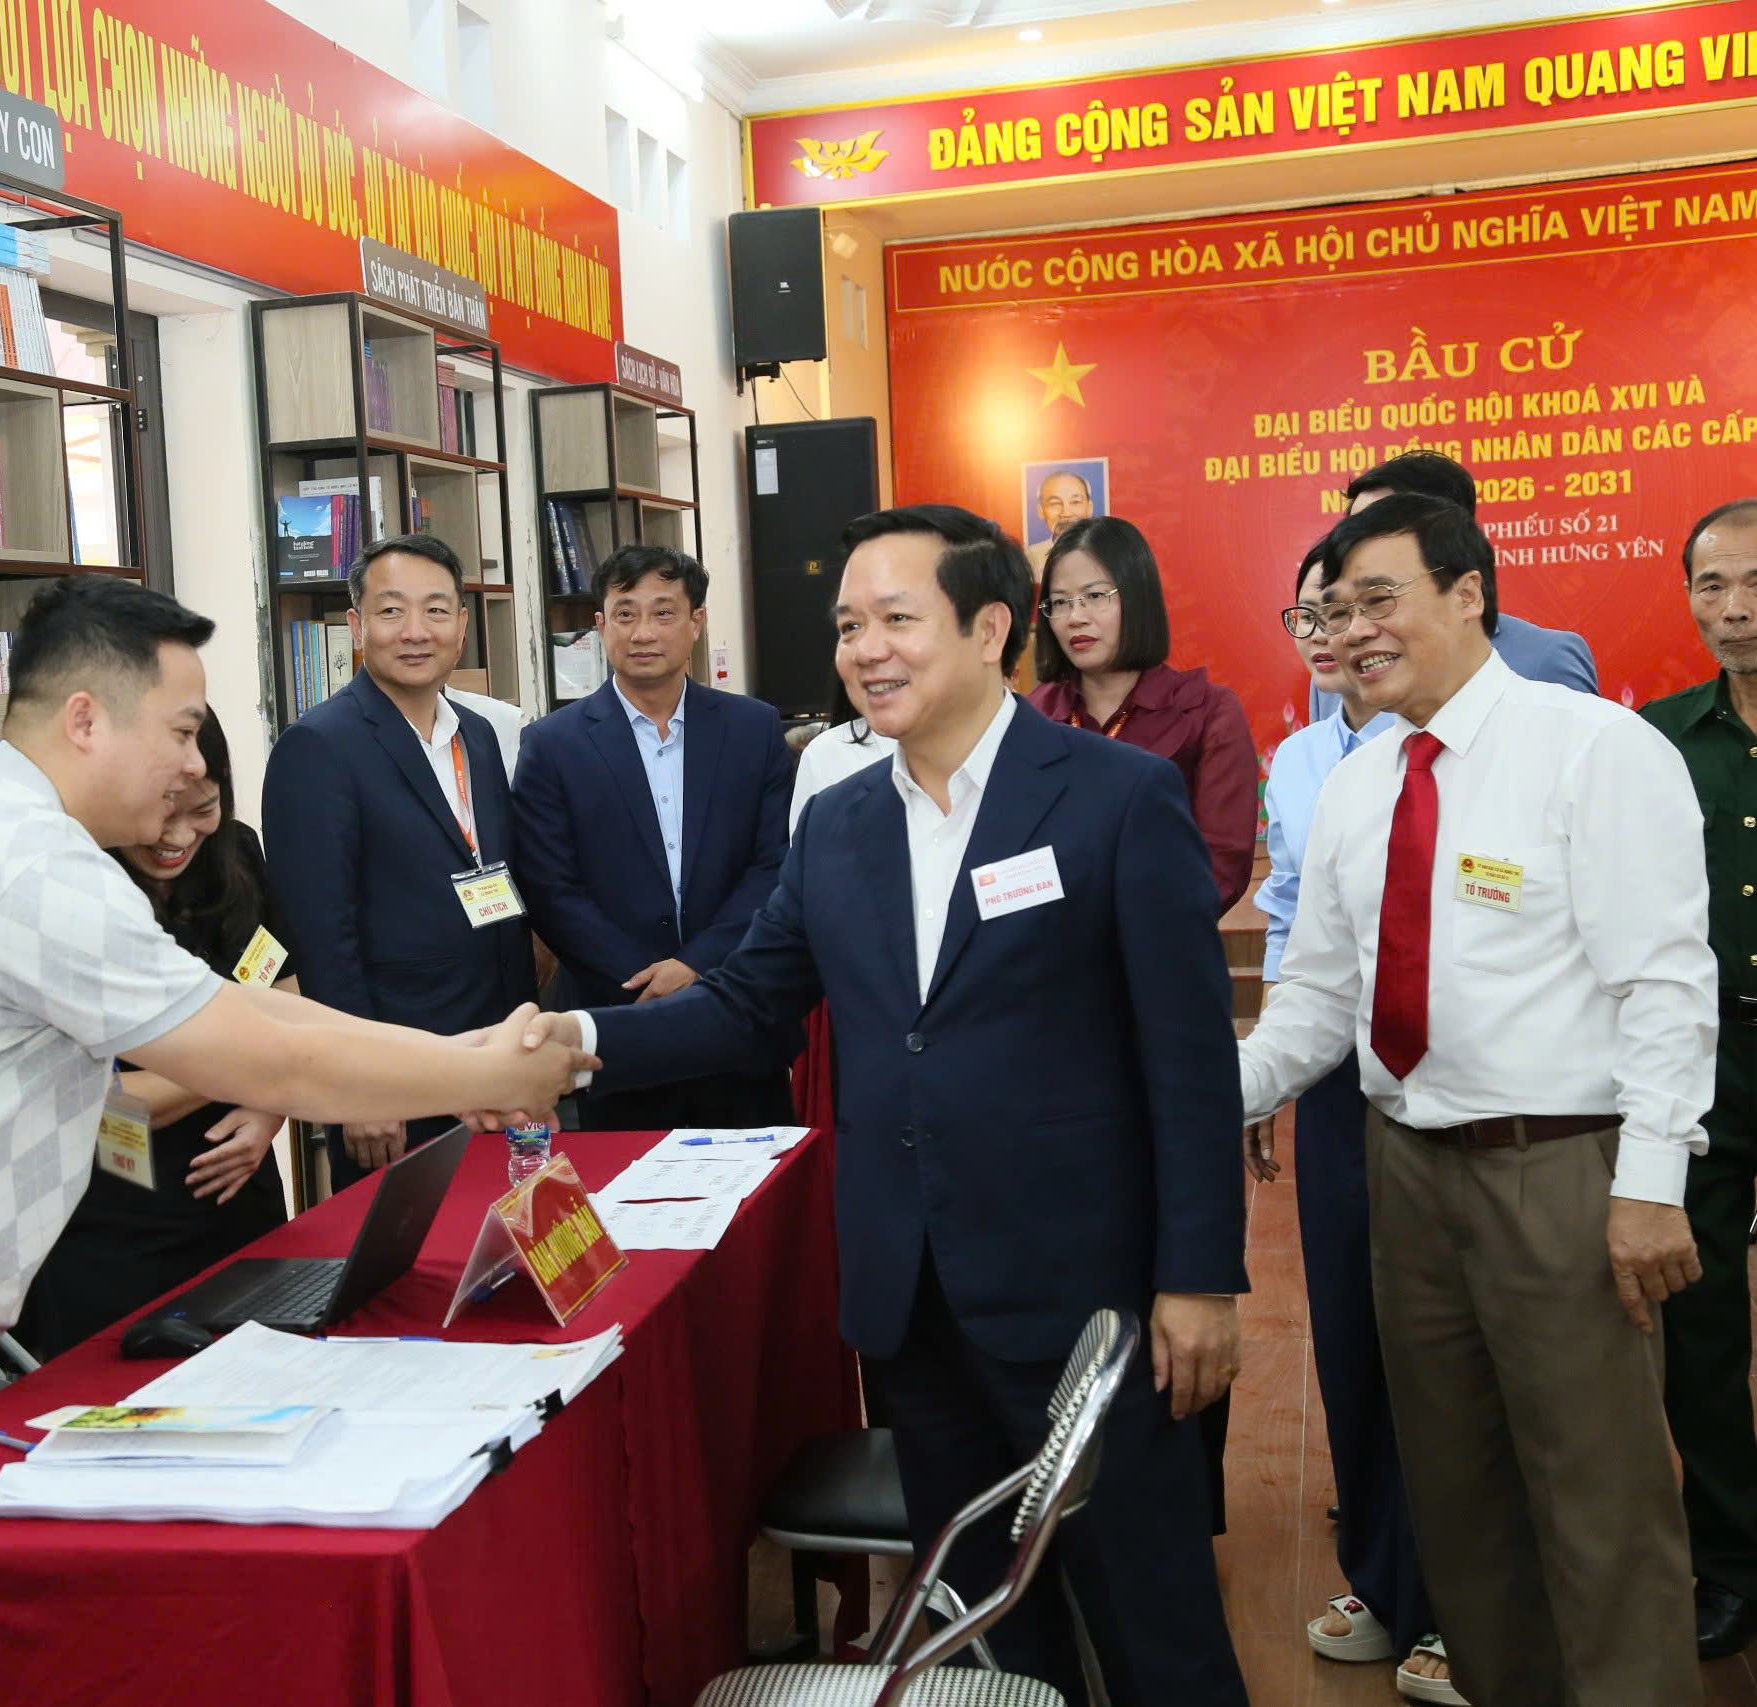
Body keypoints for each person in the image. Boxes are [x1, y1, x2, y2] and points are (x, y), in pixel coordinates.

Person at [0, 577, 589, 1688]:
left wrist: (467, 1055)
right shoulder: (19, 862)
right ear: (87, 718)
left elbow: (256, 1011)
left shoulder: (17, 833)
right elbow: (263, 1056)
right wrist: (483, 1074)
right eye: (181, 731)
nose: (195, 766)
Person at [523, 504, 1251, 1706]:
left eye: (896, 619)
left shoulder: (1114, 799)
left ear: (989, 628)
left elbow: (1187, 1059)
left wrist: (1199, 1278)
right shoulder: (839, 821)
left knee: (1150, 1618)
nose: (865, 650)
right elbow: (746, 1005)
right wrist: (578, 1042)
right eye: (848, 625)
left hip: (1082, 1290)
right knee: (976, 1624)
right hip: (908, 1296)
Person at [1239, 492, 1715, 1707]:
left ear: (1468, 595)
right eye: (1332, 610)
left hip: (1559, 1173)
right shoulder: (1357, 785)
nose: (1352, 630)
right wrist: (1199, 1093)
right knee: (1460, 1506)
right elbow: (1316, 1001)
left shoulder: (1594, 750)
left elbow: (1665, 985)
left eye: (1378, 599)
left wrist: (1650, 1186)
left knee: (1598, 1501)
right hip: (1404, 1172)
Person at [1251, 541, 1440, 1695]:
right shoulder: (1301, 760)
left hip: (1457, 1085)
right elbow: (1290, 923)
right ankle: (1380, 1573)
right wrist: (1264, 1073)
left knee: (1448, 1353)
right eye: (1310, 613)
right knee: (1351, 1340)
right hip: (1330, 1067)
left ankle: (1460, 1603)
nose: (1331, 634)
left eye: (1355, 606)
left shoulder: (1468, 743)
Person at [1642, 498, 1757, 1661]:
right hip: (1692, 1069)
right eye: (1711, 586)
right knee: (1692, 1332)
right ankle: (1736, 1571)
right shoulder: (1654, 742)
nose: (1735, 609)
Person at [13, 714, 295, 1362]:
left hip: (240, 1197)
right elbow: (96, 1102)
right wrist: (258, 1065)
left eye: (202, 809)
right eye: (163, 809)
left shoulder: (238, 854)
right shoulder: (75, 892)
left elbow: (286, 995)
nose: (178, 836)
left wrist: (268, 1107)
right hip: (115, 1224)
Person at [264, 534, 539, 1191]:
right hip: (398, 1082)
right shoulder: (318, 747)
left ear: (462, 627)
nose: (416, 631)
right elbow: (322, 941)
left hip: (497, 1058)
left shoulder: (478, 734)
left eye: (436, 610)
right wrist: (361, 1087)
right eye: (391, 611)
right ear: (357, 625)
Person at [512, 543, 796, 1131]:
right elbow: (549, 887)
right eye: (625, 613)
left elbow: (773, 866)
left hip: (736, 1016)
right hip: (616, 1027)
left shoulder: (754, 728)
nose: (643, 632)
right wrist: (646, 980)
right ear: (600, 626)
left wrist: (694, 965)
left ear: (696, 622)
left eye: (664, 612)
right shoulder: (552, 744)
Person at [1029, 515, 1259, 911]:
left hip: (1162, 941)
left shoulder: (1208, 712)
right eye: (1060, 602)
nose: (1075, 616)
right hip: (1047, 945)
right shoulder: (1032, 718)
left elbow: (1221, 867)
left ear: (1137, 597)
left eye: (1095, 596)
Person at [1304, 452, 1596, 723]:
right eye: (1353, 530)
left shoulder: (1544, 657)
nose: (1358, 546)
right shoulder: (1338, 665)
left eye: (1381, 528)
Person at [1022, 467, 1095, 574]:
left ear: (1090, 508)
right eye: (1055, 503)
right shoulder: (1029, 557)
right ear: (1040, 510)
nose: (1066, 513)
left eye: (1075, 502)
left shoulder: (1106, 551)